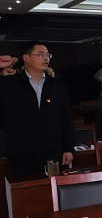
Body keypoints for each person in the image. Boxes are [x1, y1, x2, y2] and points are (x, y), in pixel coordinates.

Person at [0, 41, 75, 175]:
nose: (46, 58)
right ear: (26, 58)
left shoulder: (57, 85)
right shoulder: (10, 84)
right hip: (21, 155)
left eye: (47, 55)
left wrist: (68, 148)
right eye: (40, 55)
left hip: (52, 154)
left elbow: (65, 119)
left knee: (52, 188)